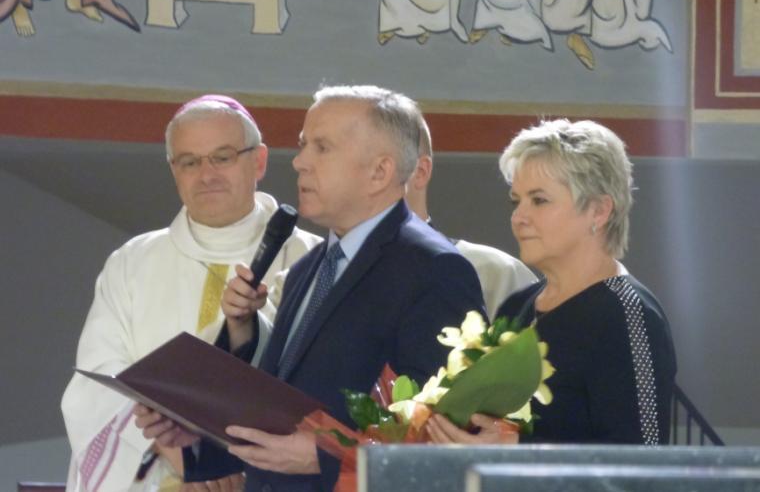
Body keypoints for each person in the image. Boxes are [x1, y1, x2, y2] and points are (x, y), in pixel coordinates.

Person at [137, 85, 486, 491]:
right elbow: (278, 419)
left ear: (379, 172)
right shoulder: (309, 267)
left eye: (322, 147)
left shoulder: (434, 269)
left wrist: (325, 459)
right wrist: (196, 436)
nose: (299, 162)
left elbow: (445, 435)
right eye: (303, 145)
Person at [60, 95, 322, 492]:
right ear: (174, 171)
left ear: (259, 161)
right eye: (189, 162)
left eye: (223, 157)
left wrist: (230, 463)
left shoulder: (311, 259)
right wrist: (178, 453)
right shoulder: (132, 262)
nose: (206, 174)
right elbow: (97, 381)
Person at [426, 119, 677, 445]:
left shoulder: (630, 316)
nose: (519, 217)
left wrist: (517, 450)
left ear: (599, 211)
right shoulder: (517, 306)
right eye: (516, 201)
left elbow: (643, 456)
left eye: (539, 200)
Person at [405, 116, 536, 321]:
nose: (519, 218)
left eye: (540, 200)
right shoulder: (345, 271)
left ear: (420, 172)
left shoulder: (496, 273)